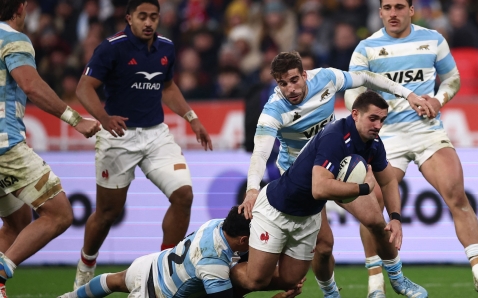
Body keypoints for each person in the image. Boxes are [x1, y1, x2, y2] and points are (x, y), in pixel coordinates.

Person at [239, 52, 428, 298]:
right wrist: (252, 189)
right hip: (303, 177)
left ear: (304, 74)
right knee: (325, 246)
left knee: (375, 221)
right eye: (282, 84)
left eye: (294, 80)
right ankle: (331, 295)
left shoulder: (327, 79)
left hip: (339, 162)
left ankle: (397, 278)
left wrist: (408, 94)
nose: (290, 89)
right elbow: (260, 153)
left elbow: (366, 78)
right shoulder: (273, 110)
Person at [345, 0, 478, 295]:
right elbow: (352, 90)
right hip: (385, 136)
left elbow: (452, 78)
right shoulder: (366, 48)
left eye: (400, 7)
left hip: (426, 131)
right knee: (373, 203)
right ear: (379, 12)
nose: (394, 13)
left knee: (456, 193)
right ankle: (376, 281)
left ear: (411, 10)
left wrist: (437, 101)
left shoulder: (433, 39)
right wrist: (367, 116)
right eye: (388, 7)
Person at [73, 0, 213, 290]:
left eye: (154, 17)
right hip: (118, 136)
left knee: (184, 195)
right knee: (108, 213)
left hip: (156, 135)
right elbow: (83, 87)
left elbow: (168, 85)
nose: (148, 22)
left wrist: (192, 118)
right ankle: (86, 265)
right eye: (142, 17)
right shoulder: (111, 47)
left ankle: (165, 270)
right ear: (129, 18)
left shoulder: (166, 47)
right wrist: (103, 117)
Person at [0, 0, 100, 296]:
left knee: (17, 221)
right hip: (5, 147)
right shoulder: (13, 39)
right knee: (59, 214)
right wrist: (75, 119)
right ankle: (1, 271)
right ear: (21, 8)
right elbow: (30, 85)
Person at [59, 206, 300, 298]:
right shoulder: (213, 263)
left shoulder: (216, 224)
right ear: (244, 239)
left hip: (150, 265)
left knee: (114, 280)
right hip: (157, 296)